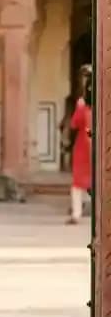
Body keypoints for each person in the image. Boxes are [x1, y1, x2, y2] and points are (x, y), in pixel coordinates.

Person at [67, 65, 92, 224]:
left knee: (78, 182)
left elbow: (74, 124)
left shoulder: (83, 105)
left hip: (84, 145)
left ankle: (77, 214)